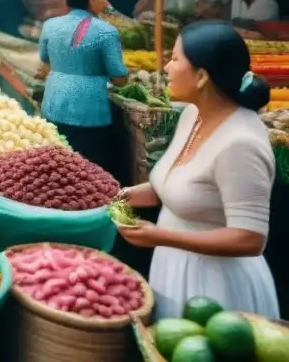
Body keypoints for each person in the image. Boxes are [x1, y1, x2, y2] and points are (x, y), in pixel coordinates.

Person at [117, 22, 278, 319]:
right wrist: (120, 196)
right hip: (174, 268)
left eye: (175, 59)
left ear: (202, 76)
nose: (166, 66)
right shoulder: (193, 114)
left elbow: (250, 238)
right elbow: (175, 187)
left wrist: (161, 236)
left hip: (218, 290)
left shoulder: (240, 143)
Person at [37, 0, 128, 174]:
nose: (107, 2)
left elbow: (44, 61)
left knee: (57, 166)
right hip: (88, 109)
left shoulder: (50, 25)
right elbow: (120, 77)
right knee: (88, 170)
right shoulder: (106, 31)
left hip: (53, 102)